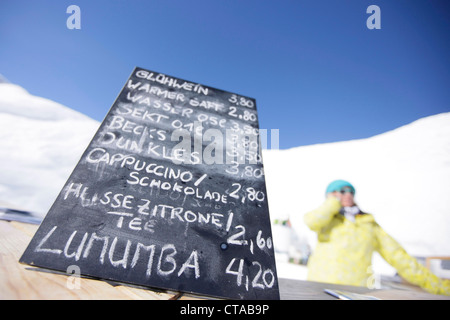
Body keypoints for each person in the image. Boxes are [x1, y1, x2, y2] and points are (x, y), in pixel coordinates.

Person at [303, 179, 450, 296]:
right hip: (320, 289)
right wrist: (332, 202)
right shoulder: (326, 221)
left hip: (355, 292)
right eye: (342, 191)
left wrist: (438, 285)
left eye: (351, 192)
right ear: (331, 195)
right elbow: (311, 221)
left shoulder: (368, 224)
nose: (348, 194)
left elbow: (398, 257)